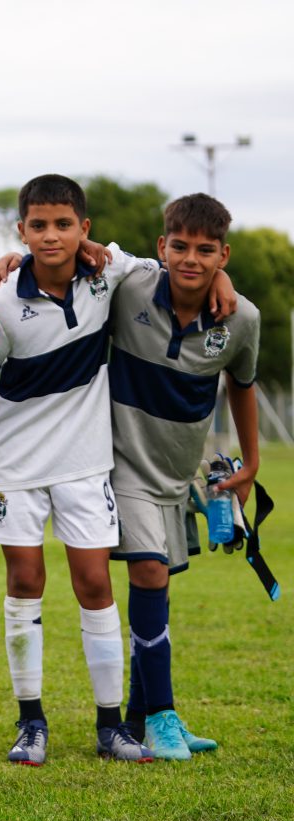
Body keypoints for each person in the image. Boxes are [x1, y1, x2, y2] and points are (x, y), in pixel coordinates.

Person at [0, 174, 228, 766]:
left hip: (85, 465)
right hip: (16, 465)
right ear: (21, 231)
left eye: (64, 224)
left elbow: (175, 268)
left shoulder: (108, 273)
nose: (51, 235)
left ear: (84, 228)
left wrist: (223, 277)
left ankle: (111, 727)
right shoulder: (0, 299)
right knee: (25, 582)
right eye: (38, 225)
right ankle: (31, 722)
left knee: (94, 584)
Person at [106, 194, 259, 758]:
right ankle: (163, 715)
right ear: (161, 247)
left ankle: (138, 719)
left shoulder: (242, 319)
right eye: (180, 246)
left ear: (224, 255)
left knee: (160, 586)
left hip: (177, 473)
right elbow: (80, 256)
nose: (191, 258)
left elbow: (243, 385)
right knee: (149, 571)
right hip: (121, 464)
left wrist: (251, 463)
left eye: (206, 250)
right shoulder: (131, 289)